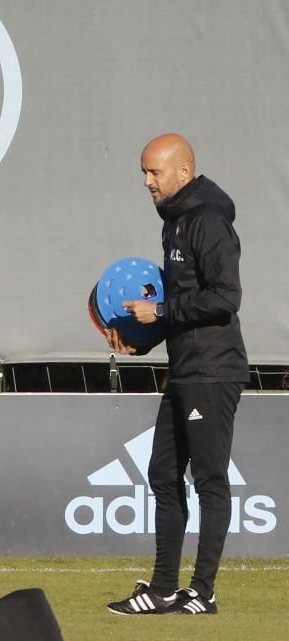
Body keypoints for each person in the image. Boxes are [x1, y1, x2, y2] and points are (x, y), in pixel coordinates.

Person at [106, 133, 248, 615]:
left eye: (155, 172)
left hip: (213, 371)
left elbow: (226, 298)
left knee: (210, 479)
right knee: (163, 473)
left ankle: (202, 592)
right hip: (185, 370)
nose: (147, 181)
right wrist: (139, 339)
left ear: (183, 173)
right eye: (143, 172)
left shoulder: (208, 219)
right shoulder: (174, 223)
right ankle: (163, 589)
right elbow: (178, 311)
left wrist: (161, 310)